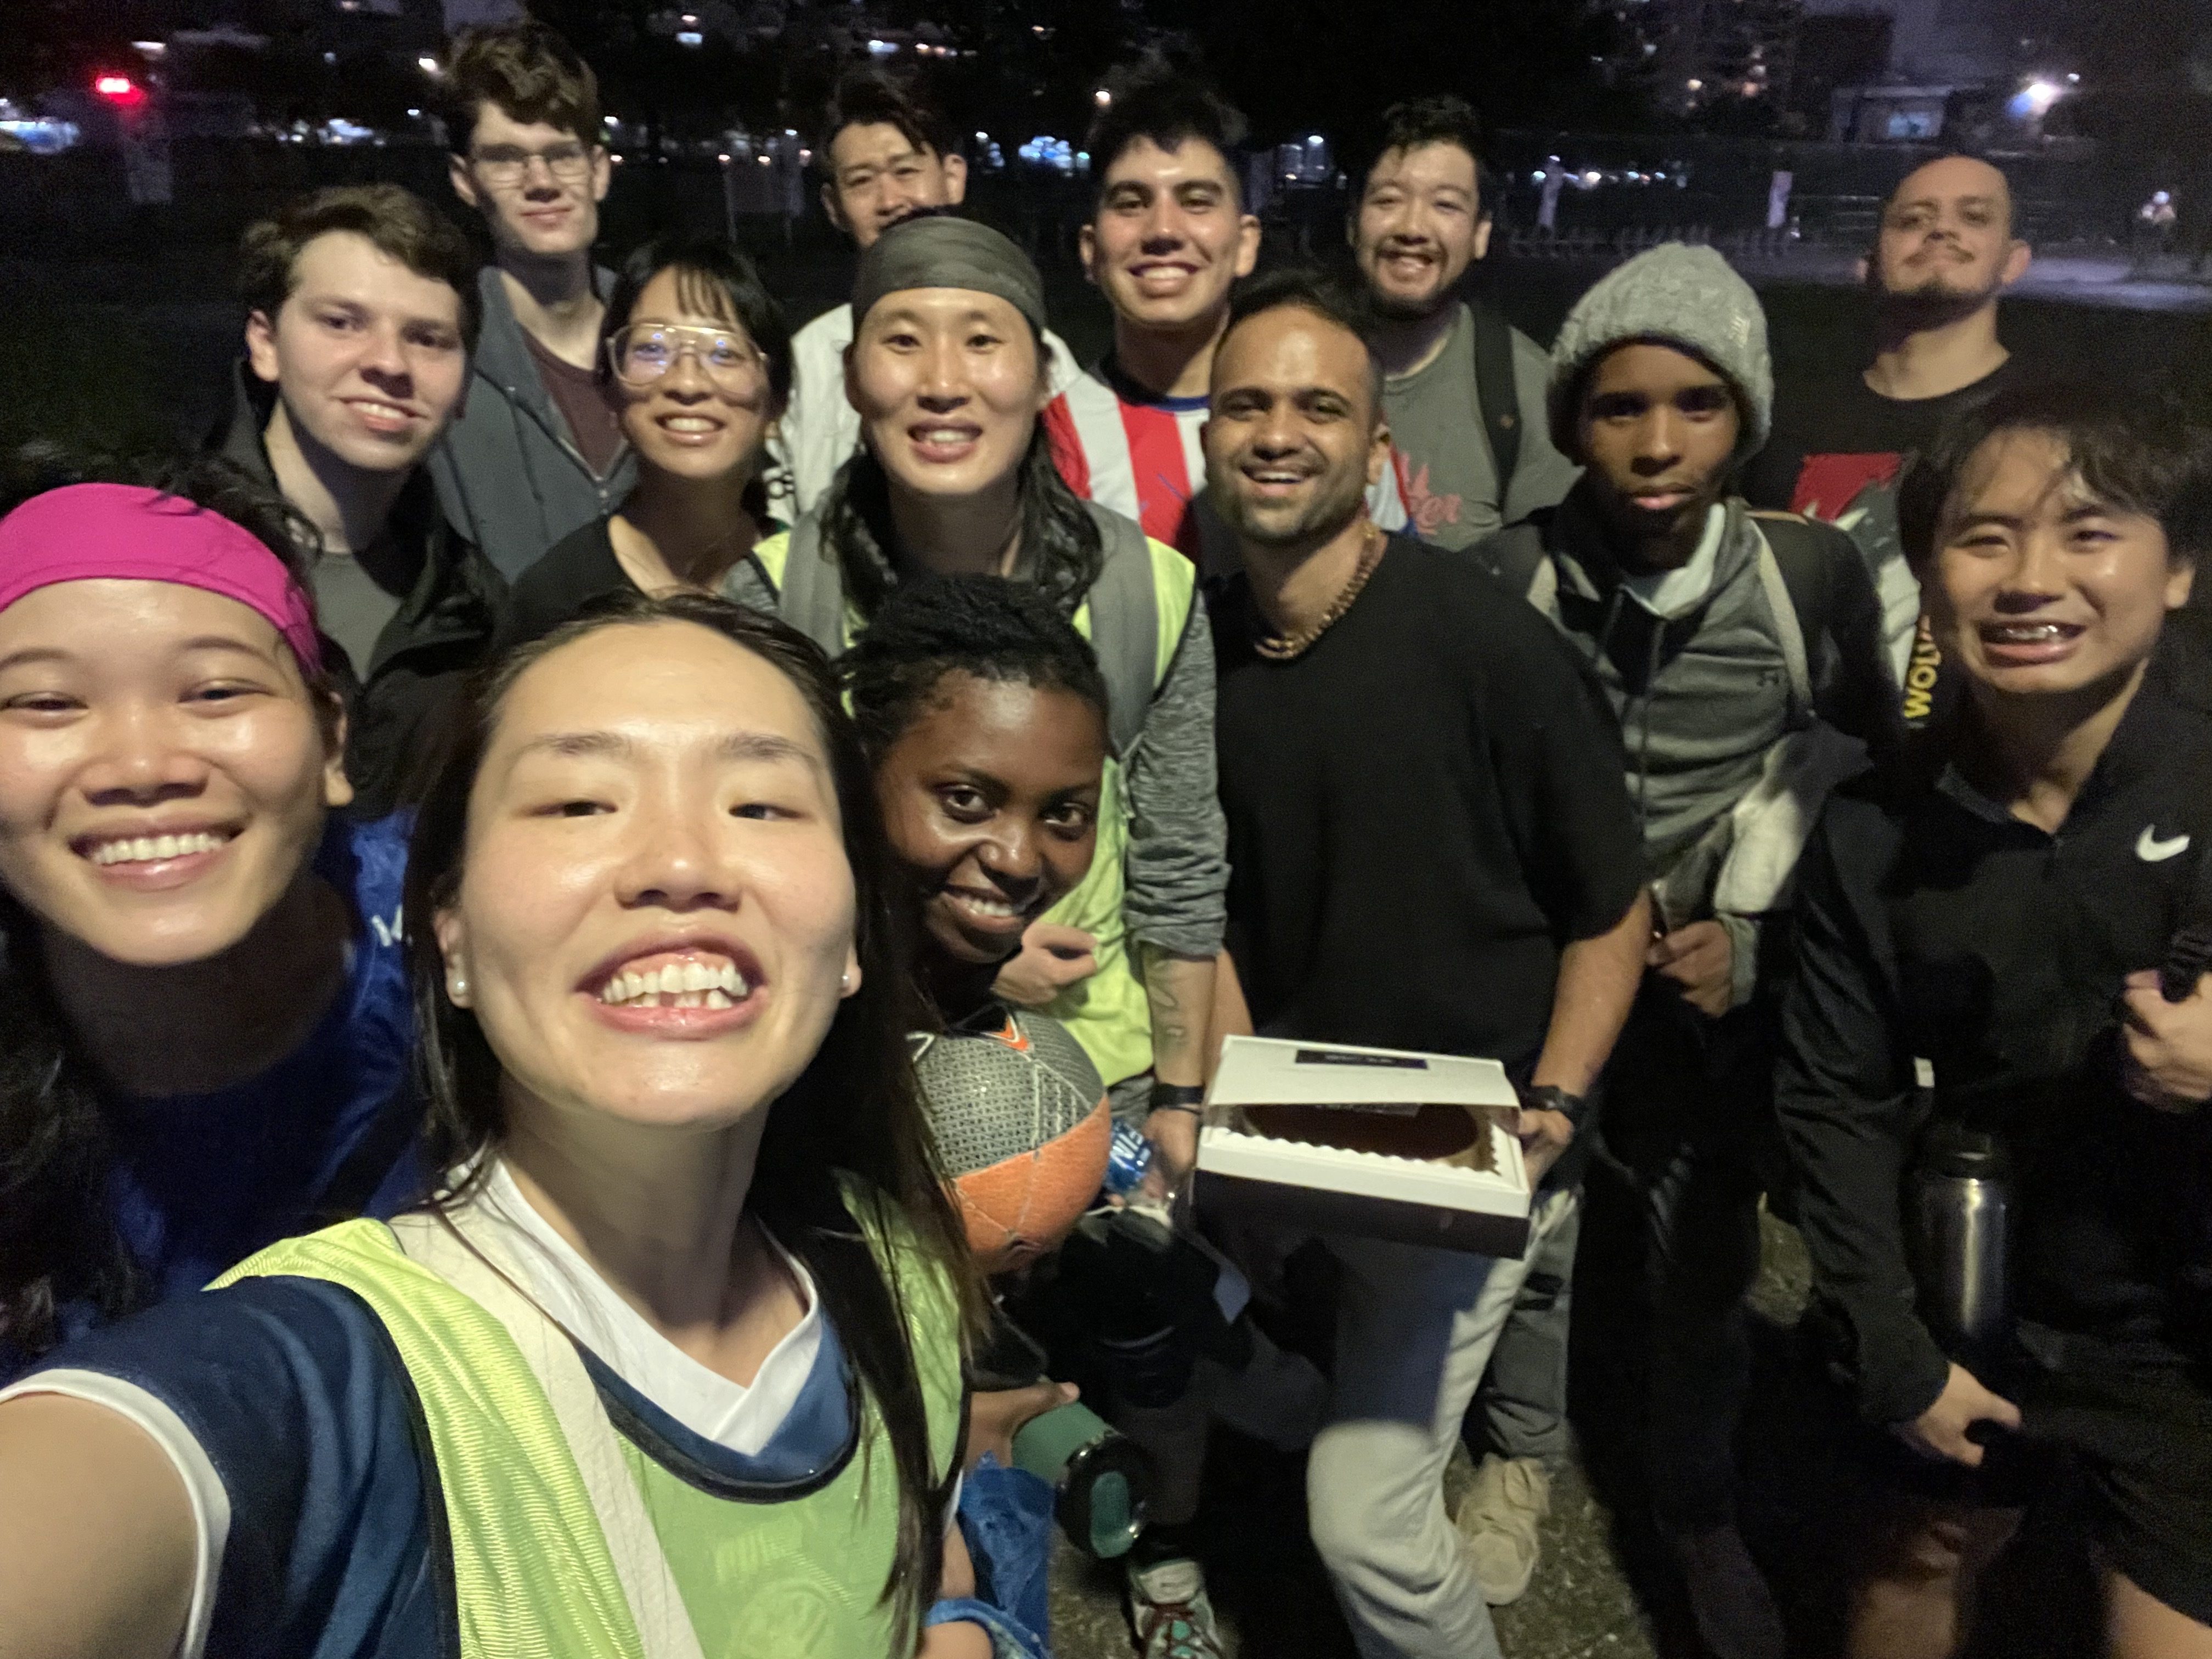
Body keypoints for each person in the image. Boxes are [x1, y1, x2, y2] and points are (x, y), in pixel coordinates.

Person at [0, 591, 1046, 1659]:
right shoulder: (334, 1380)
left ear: (855, 931)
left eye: (761, 805)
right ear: (447, 930)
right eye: (579, 804)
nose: (679, 865)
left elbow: (914, 1557)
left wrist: (955, 1619)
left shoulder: (898, 1269)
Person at [1203, 268, 1649, 1659]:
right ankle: (1294, 1393)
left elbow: (1613, 904)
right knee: (1159, 1322)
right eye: (1247, 404)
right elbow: (1212, 910)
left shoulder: (1485, 643)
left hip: (1465, 1140)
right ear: (1210, 434)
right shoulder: (1200, 646)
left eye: (1319, 407)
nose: (1279, 433)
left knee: (1365, 1523)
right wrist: (1226, 1130)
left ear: (1378, 444)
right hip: (1292, 1119)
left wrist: (1555, 1107)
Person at [1469, 244, 1898, 1657]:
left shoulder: (1807, 575)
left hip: (1713, 996)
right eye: (1619, 407)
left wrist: (1756, 947)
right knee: (1526, 1229)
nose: (1658, 444)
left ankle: (1698, 1506)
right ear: (1572, 422)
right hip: (1544, 985)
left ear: (1746, 418)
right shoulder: (1511, 574)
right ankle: (1520, 1454)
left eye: (1699, 404)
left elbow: (1857, 792)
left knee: (1702, 1256)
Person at [1776, 384, 2212, 1659]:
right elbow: (1833, 1098)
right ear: (1929, 577)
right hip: (1976, 1287)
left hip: (2185, 1339)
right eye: (1984, 537)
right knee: (1907, 1575)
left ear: (2178, 569)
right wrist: (1893, 1352)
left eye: (2089, 532)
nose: (2030, 579)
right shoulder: (1876, 826)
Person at [0, 455, 419, 1375]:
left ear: (333, 738)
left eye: (216, 690)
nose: (143, 765)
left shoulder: (486, 923)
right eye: (46, 703)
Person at [845, 573, 1115, 1265]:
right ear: (862, 772)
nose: (1019, 859)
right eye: (966, 800)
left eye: (1065, 814)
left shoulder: (954, 991)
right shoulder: (800, 1015)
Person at [1043, 67, 1407, 575]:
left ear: (1246, 243)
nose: (1163, 230)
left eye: (1196, 201)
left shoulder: (1331, 418)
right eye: (1131, 203)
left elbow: (1398, 590)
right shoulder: (1049, 442)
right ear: (1090, 250)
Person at [214, 182, 505, 815]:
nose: (389, 363)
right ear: (265, 343)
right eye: (343, 323)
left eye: (428, 338)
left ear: (463, 387)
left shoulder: (474, 608)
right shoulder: (162, 568)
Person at [1745, 153, 2033, 703]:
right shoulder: (1779, 417)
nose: (1941, 229)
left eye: (1974, 217)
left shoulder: (2047, 423)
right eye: (1913, 219)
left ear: (2014, 261)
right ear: (1869, 263)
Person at [781, 69, 1081, 518]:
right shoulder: (808, 359)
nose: (889, 200)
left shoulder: (1032, 352)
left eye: (906, 171)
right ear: (833, 207)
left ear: (953, 176)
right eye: (861, 181)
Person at [429, 18, 637, 580]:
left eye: (561, 154)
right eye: (505, 158)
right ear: (465, 180)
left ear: (598, 171)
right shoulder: (437, 357)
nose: (541, 181)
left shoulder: (664, 341)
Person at [504, 236, 791, 642]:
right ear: (610, 393)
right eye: (653, 348)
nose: (687, 383)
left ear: (776, 406)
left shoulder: (813, 577)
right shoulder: (556, 601)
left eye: (724, 352)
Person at [1349, 95, 1579, 552]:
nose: (1413, 228)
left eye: (1446, 205)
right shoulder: (1291, 366)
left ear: (1480, 234)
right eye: (1388, 200)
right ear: (1352, 223)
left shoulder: (1526, 390)